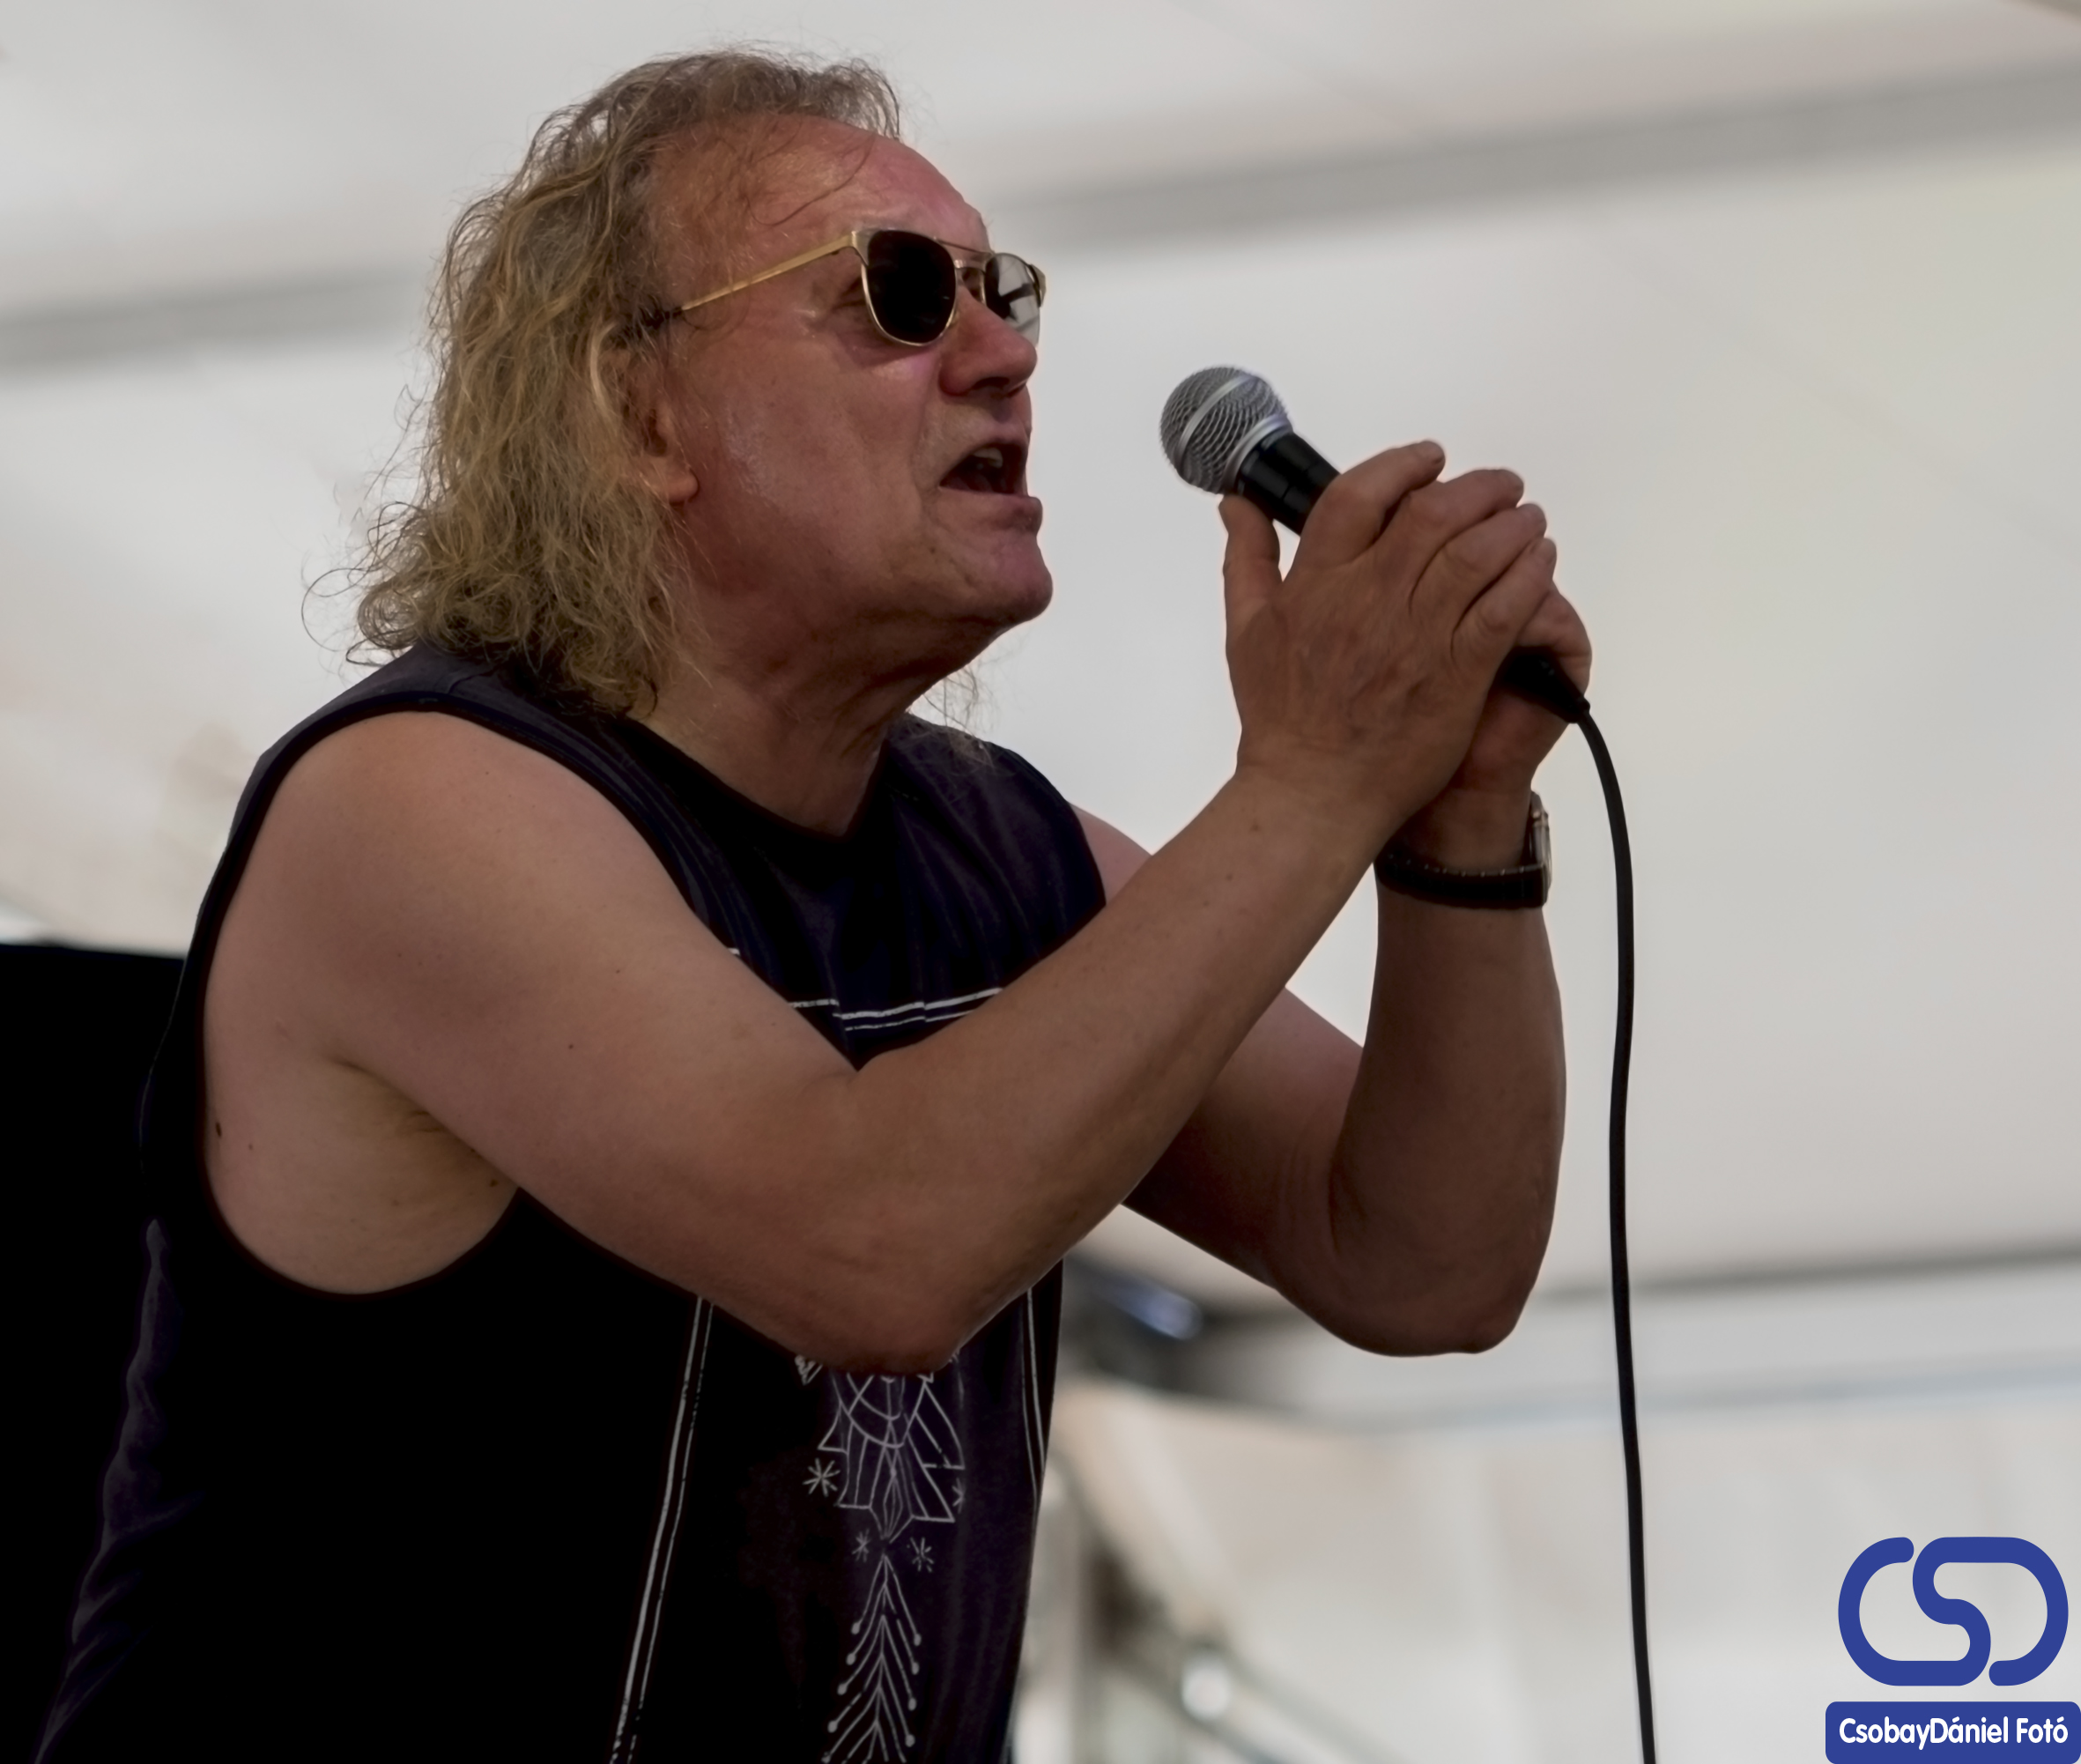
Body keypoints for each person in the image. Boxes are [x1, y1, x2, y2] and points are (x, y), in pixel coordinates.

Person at [40, 46, 1589, 1764]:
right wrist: (1310, 777)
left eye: (1002, 293)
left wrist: (1453, 824)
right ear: (639, 417)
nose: (1000, 353)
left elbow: (1424, 1258)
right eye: (898, 294)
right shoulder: (414, 804)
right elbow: (873, 1249)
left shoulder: (995, 847)